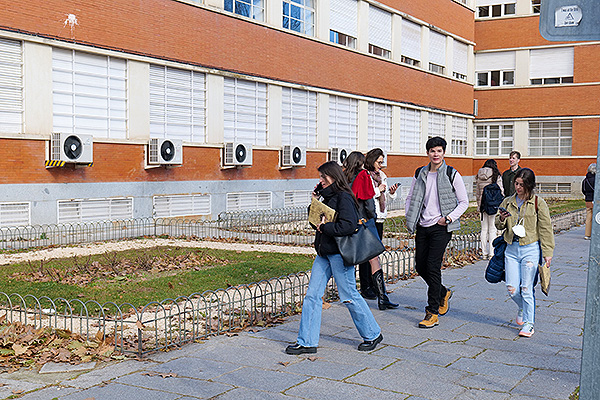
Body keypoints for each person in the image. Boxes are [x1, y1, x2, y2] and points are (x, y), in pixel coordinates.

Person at [285, 161, 383, 355]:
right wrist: (314, 202)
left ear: (333, 177)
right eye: (320, 177)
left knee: (349, 296)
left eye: (323, 177)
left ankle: (372, 333)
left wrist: (326, 228)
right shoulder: (326, 197)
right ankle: (306, 342)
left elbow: (349, 225)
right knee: (312, 295)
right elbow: (317, 222)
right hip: (324, 254)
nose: (320, 181)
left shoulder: (344, 198)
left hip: (339, 254)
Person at [404, 137, 469, 328]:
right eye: (432, 151)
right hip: (422, 225)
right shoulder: (420, 173)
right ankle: (443, 292)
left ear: (444, 153)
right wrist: (411, 216)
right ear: (428, 153)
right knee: (420, 266)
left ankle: (432, 312)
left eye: (439, 151)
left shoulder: (451, 173)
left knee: (432, 266)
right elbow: (410, 198)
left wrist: (448, 218)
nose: (435, 154)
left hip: (441, 227)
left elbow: (463, 202)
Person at [496, 168, 555, 338]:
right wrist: (501, 218)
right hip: (511, 249)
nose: (518, 187)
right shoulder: (507, 201)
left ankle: (529, 323)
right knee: (512, 289)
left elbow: (545, 228)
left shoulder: (538, 203)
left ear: (529, 185)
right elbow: (498, 226)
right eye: (516, 183)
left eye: (522, 184)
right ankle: (522, 307)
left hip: (530, 249)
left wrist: (547, 252)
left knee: (526, 288)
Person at [342, 151, 398, 310]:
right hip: (365, 221)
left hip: (349, 221)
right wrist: (372, 215)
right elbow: (366, 198)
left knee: (351, 259)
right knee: (374, 258)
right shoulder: (363, 175)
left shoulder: (344, 177)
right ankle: (382, 297)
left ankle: (351, 293)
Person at [476, 159, 504, 259]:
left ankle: (484, 253)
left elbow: (478, 193)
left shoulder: (479, 175)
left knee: (483, 230)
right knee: (493, 229)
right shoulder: (496, 175)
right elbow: (501, 191)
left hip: (483, 206)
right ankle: (492, 253)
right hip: (493, 206)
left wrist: (479, 205)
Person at [582, 163, 596, 240]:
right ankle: (595, 233)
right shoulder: (597, 180)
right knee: (596, 216)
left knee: (588, 217)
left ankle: (587, 234)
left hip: (588, 200)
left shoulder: (585, 180)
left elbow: (583, 190)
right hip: (596, 201)